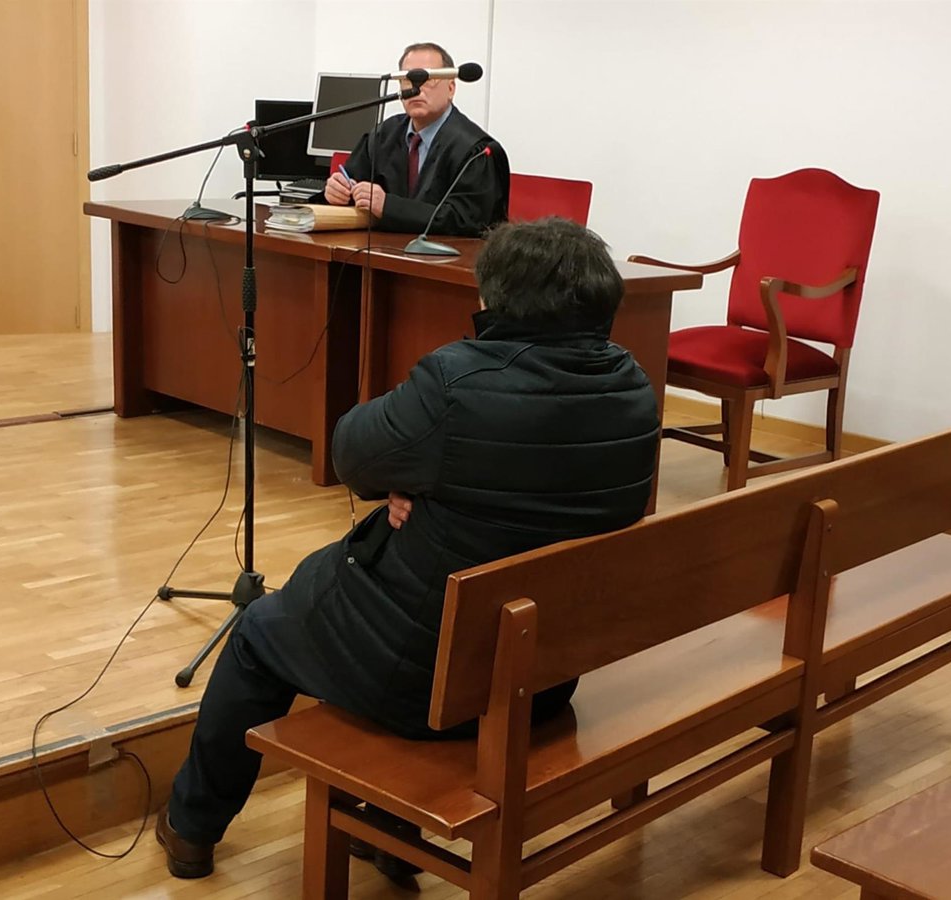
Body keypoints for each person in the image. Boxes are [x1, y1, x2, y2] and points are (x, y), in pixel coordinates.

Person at [156, 218, 662, 880]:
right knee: (339, 598)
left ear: (496, 300)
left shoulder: (457, 383)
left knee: (260, 630)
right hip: (542, 677)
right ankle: (385, 827)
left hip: (432, 683)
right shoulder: (635, 388)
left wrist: (415, 477)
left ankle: (191, 827)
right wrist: (432, 482)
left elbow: (351, 453)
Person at [322, 41, 509, 235]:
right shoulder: (384, 134)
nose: (416, 88)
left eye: (428, 78)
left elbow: (468, 221)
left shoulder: (475, 150)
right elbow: (352, 182)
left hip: (444, 252)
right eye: (408, 79)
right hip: (381, 248)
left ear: (451, 88)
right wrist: (337, 192)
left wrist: (389, 207)